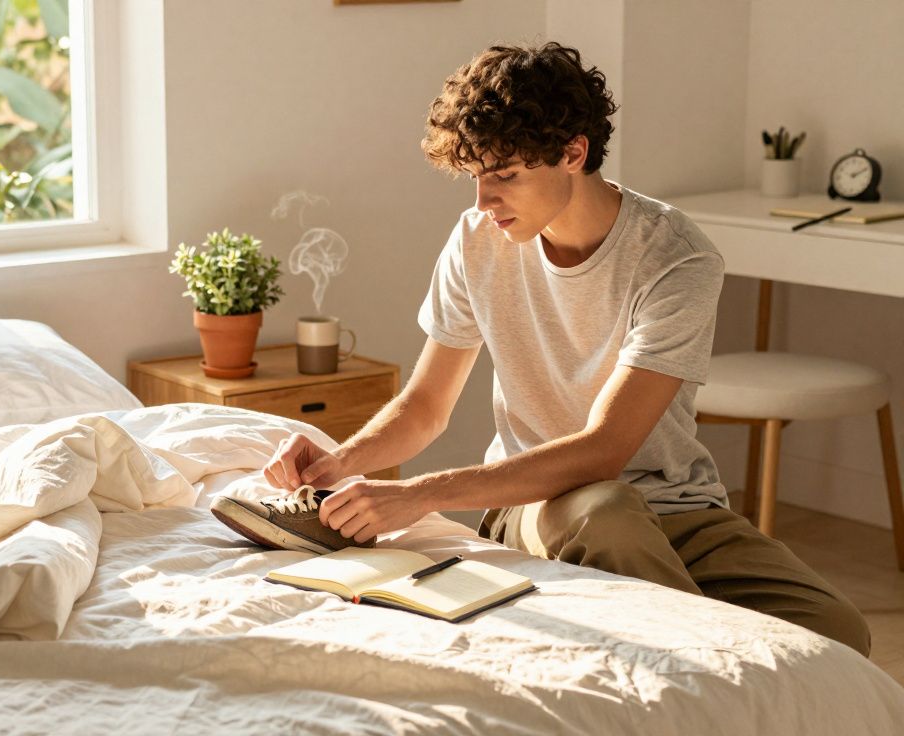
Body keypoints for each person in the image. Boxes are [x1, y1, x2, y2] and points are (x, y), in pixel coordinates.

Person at [259, 41, 871, 656]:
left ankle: (694, 641)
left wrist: (420, 494)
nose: (483, 202)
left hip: (677, 506)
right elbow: (425, 407)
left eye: (505, 176)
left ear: (573, 152)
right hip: (540, 505)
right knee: (607, 513)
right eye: (475, 177)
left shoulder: (675, 258)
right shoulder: (479, 240)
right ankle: (701, 669)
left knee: (836, 634)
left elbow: (606, 449)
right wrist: (340, 463)